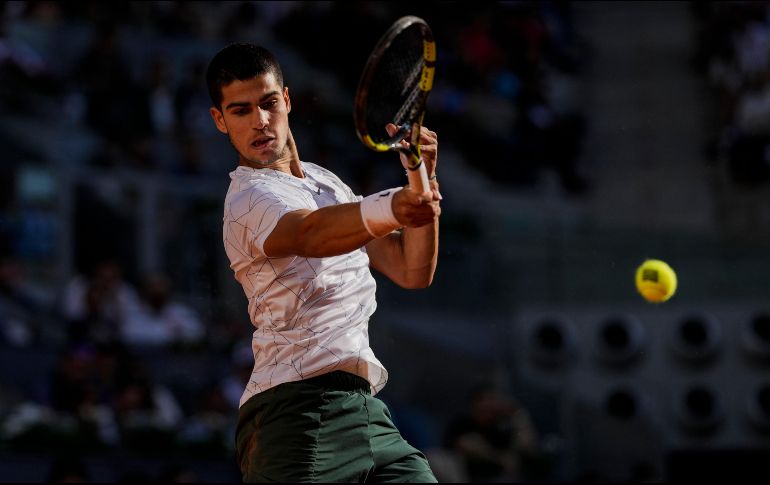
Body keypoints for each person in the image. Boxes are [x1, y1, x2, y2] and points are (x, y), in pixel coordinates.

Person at [207, 42, 442, 482]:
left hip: (367, 411)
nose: (259, 121)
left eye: (268, 103)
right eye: (240, 111)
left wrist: (421, 177)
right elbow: (311, 233)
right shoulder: (247, 198)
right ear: (220, 121)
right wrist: (394, 207)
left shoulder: (326, 183)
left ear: (287, 101)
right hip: (295, 413)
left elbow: (411, 270)